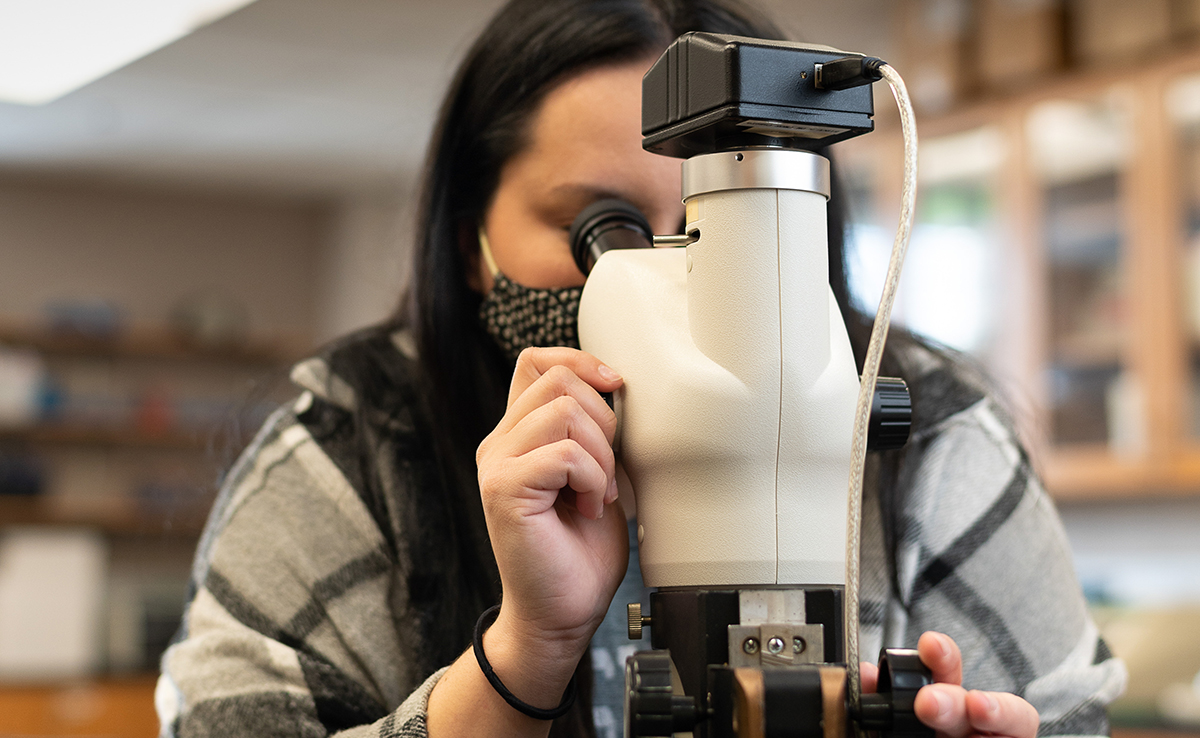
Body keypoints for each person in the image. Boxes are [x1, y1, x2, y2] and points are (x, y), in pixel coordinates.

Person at [155, 1, 1127, 737]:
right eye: (602, 230)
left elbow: (1069, 715)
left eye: (712, 236)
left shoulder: (939, 439)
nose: (666, 278)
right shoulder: (349, 455)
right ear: (468, 245)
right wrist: (521, 656)